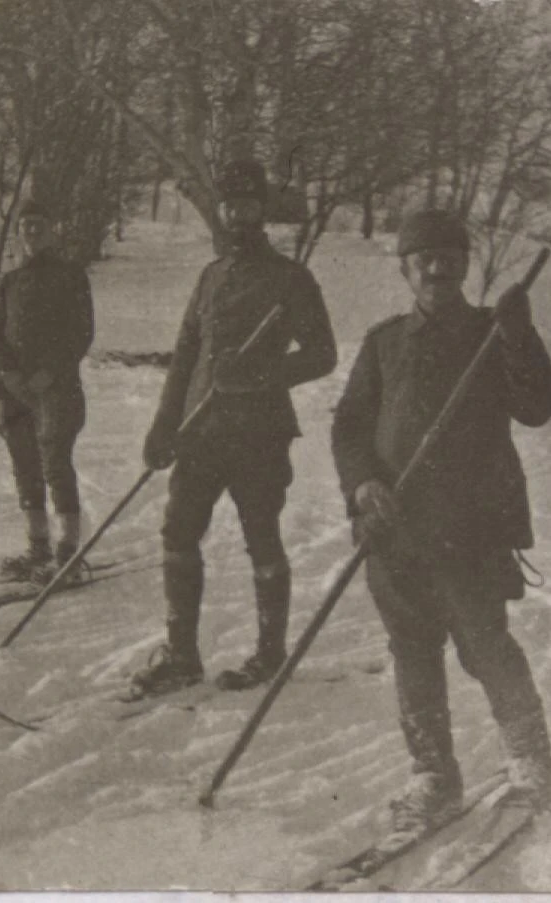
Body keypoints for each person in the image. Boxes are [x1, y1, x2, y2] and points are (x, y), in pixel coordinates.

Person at [330, 208, 551, 830]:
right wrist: (363, 484)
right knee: (412, 651)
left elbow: (537, 405)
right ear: (406, 269)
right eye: (422, 258)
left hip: (472, 530)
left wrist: (520, 336)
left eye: (449, 257)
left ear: (465, 265)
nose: (437, 267)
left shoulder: (491, 334)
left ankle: (529, 762)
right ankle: (433, 773)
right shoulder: (383, 344)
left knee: (486, 646)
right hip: (395, 532)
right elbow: (350, 425)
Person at [132, 159, 337, 698]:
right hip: (201, 431)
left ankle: (270, 655)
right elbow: (183, 356)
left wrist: (265, 372)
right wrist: (162, 425)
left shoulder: (292, 279)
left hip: (260, 433)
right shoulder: (210, 277)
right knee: (178, 533)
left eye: (248, 206)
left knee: (262, 539)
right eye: (230, 206)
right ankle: (182, 657)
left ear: (262, 211)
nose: (238, 215)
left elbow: (323, 355)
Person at [0, 199, 95, 582]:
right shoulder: (11, 282)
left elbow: (80, 331)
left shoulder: (70, 275)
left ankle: (67, 555)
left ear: (53, 230)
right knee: (25, 467)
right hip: (16, 392)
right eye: (25, 226)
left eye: (38, 225)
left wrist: (51, 371)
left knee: (55, 465)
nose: (31, 232)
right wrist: (6, 375)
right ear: (17, 233)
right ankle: (38, 548)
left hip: (55, 390)